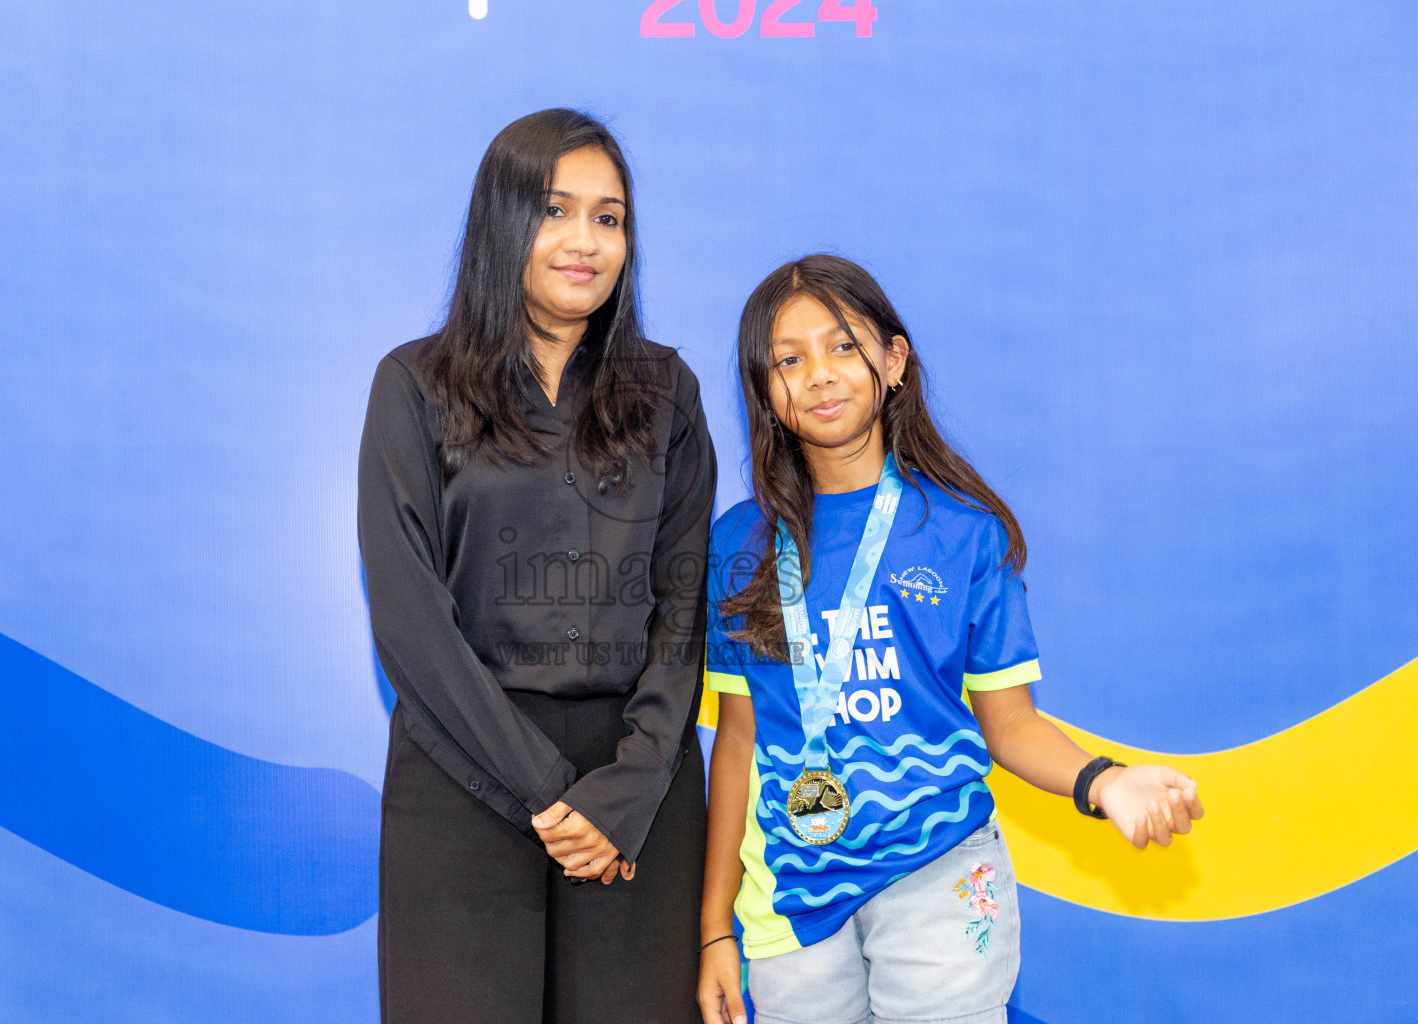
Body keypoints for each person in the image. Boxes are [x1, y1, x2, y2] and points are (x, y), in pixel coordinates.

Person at [696, 255, 1204, 1024]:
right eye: (788, 361)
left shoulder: (964, 535)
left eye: (843, 347)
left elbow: (1015, 726)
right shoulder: (739, 545)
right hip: (789, 903)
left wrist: (1106, 782)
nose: (820, 376)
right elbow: (736, 743)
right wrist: (712, 932)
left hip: (937, 873)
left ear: (894, 361)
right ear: (764, 390)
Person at [358, 108, 714, 1024]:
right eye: (557, 211)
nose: (585, 242)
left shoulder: (667, 391)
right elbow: (409, 620)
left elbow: (682, 614)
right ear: (503, 221)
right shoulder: (415, 384)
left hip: (638, 789)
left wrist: (624, 792)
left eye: (610, 217)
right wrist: (554, 795)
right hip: (461, 771)